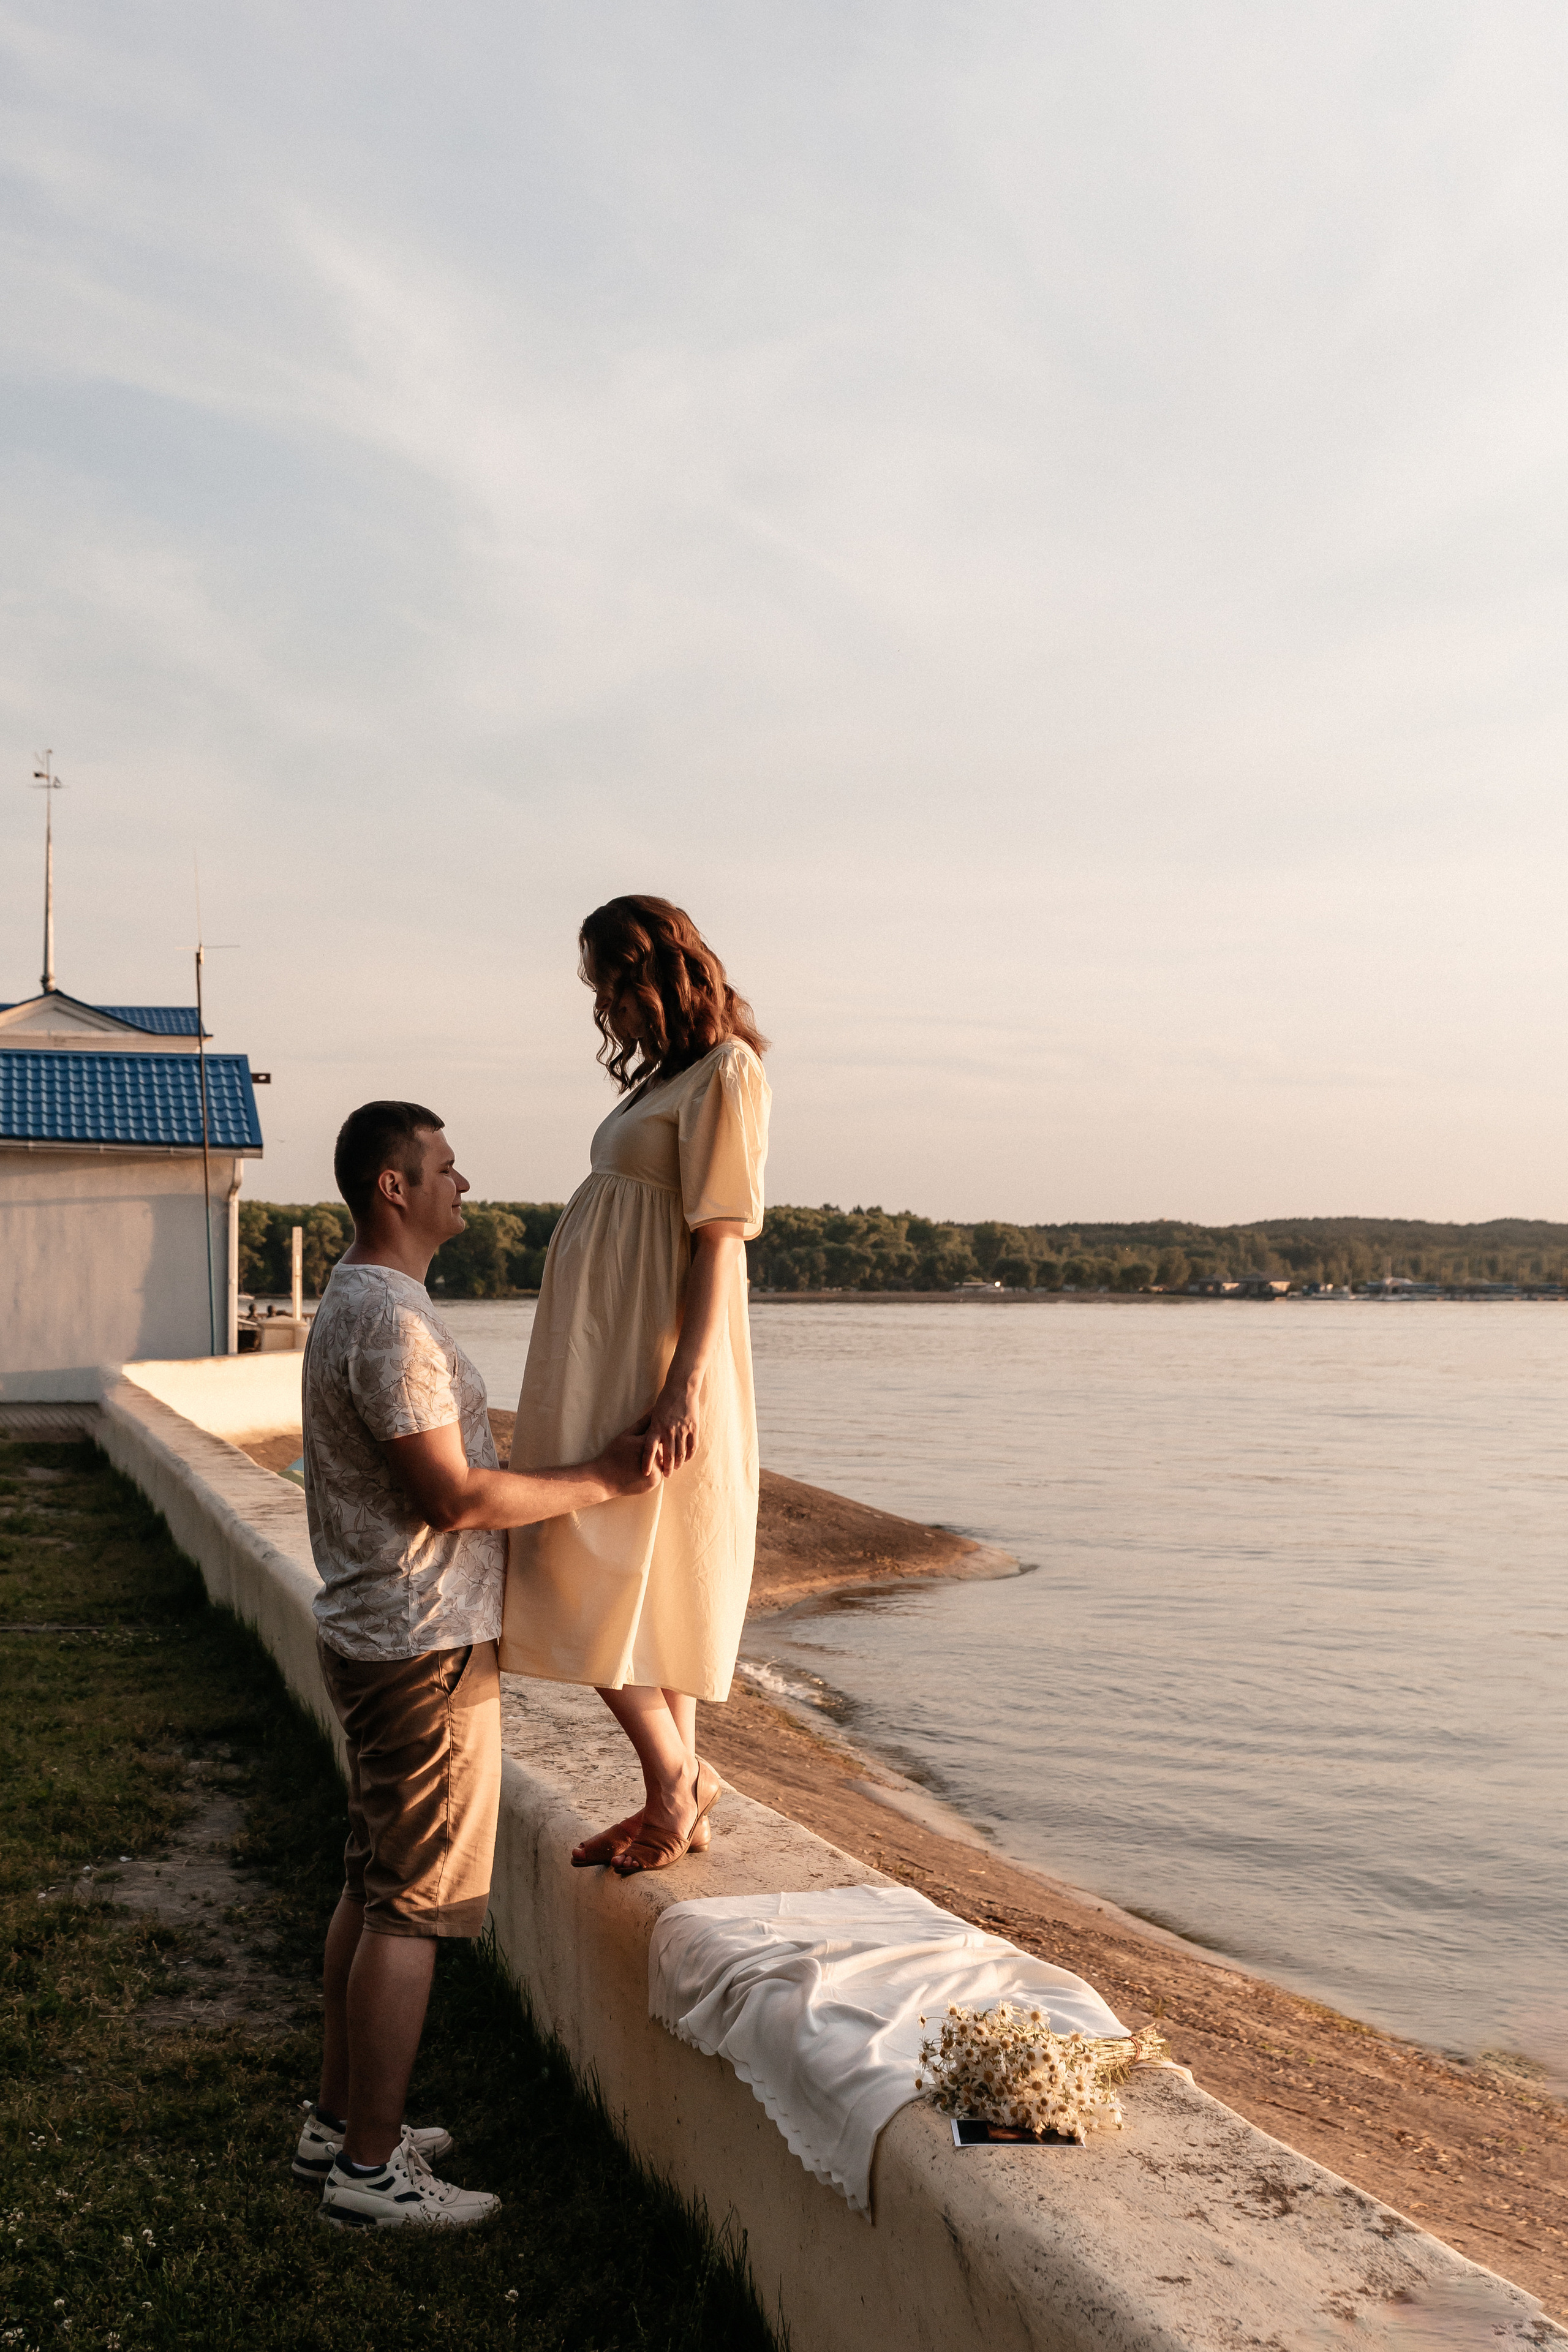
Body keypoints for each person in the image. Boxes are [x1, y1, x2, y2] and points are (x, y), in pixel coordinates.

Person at [295, 1098, 662, 2231]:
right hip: (422, 1646)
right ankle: (367, 2176)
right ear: (393, 1187)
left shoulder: (358, 1300)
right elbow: (452, 1498)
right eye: (446, 1168)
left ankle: (336, 2126)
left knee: (370, 1885)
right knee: (414, 1907)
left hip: (380, 1632)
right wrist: (606, 1478)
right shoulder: (388, 1320)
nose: (465, 1184)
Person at [500, 896, 771, 1875]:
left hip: (649, 1358)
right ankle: (676, 1796)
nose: (603, 1007)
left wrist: (684, 1385)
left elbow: (721, 1239)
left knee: (571, 1561)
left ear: (657, 972)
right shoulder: (663, 1079)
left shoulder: (727, 1072)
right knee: (644, 1581)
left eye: (611, 984)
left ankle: (676, 1785)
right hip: (599, 1351)